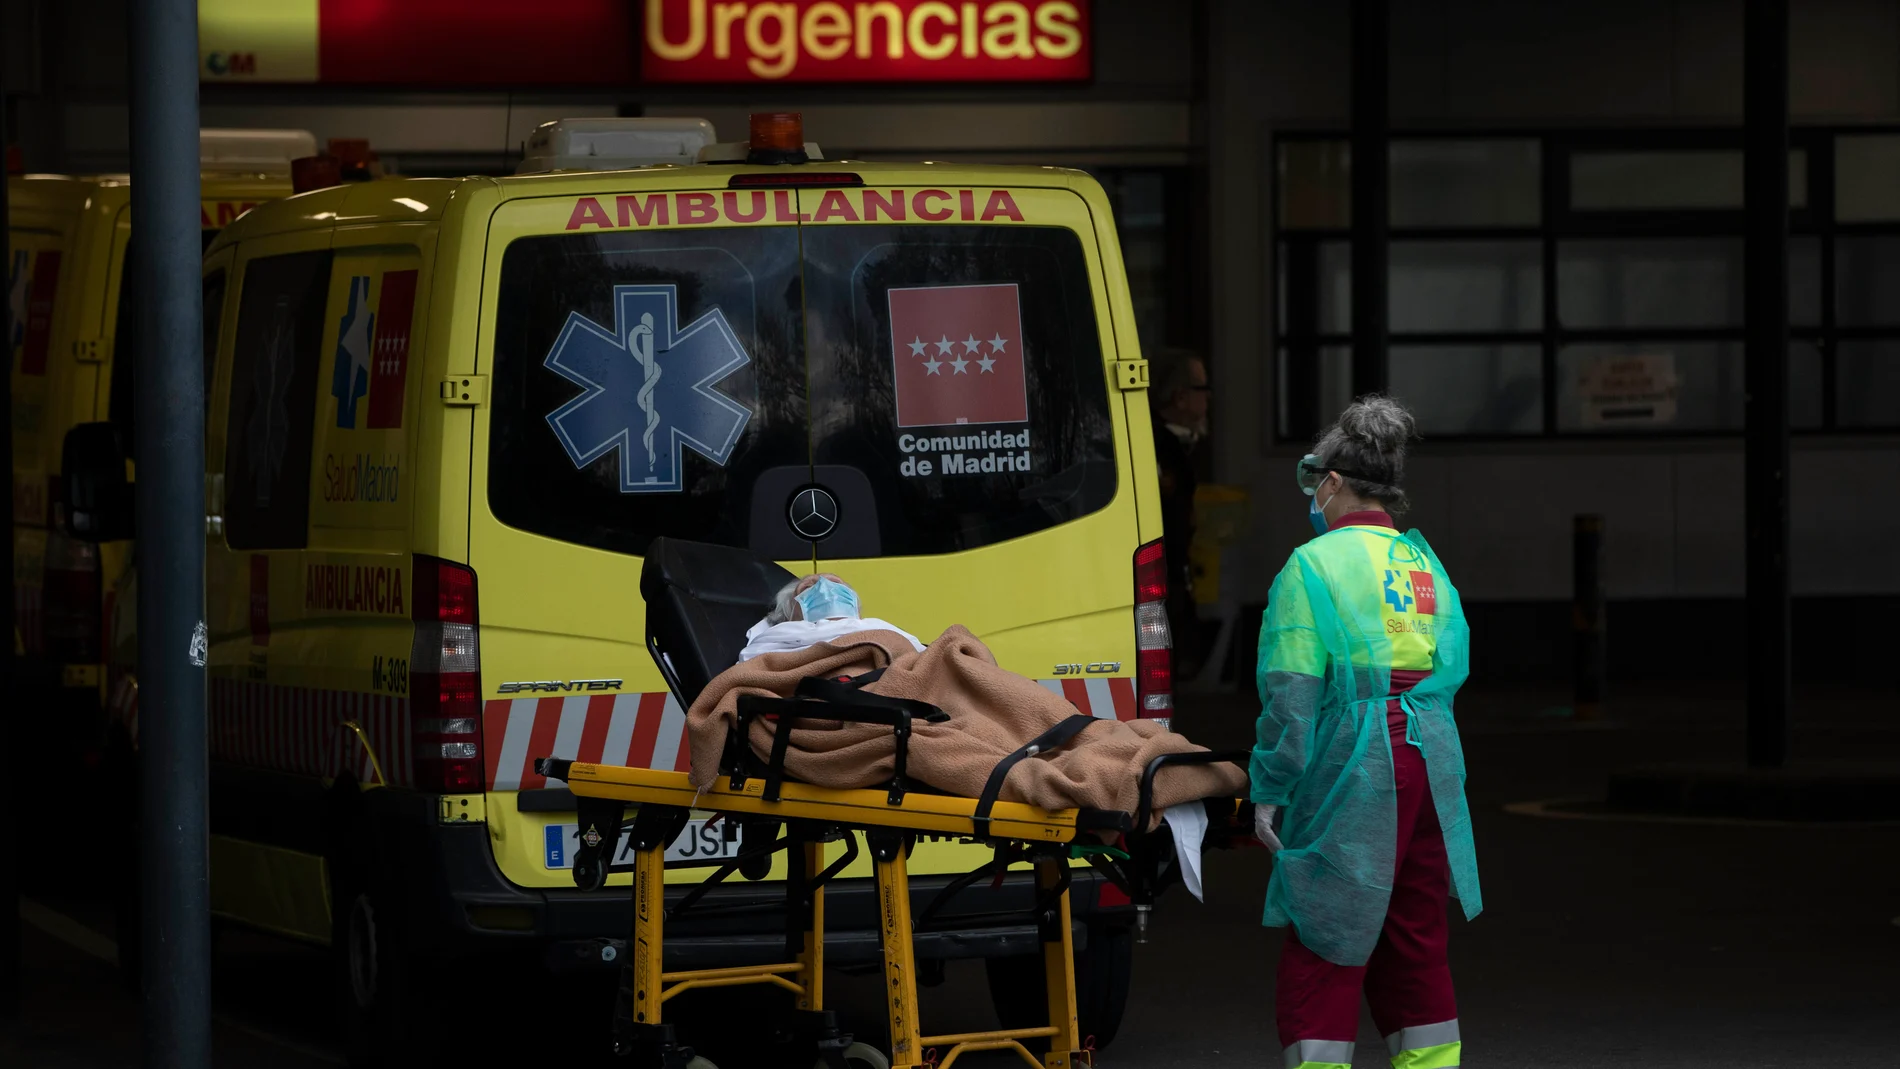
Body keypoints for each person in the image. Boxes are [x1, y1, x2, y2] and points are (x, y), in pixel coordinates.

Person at [1250, 396, 1481, 1069]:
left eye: (1311, 481)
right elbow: (1450, 663)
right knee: (1414, 937)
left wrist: (1270, 785)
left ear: (1331, 481)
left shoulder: (1311, 566)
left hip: (1356, 759)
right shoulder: (1420, 564)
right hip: (1433, 754)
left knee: (1326, 932)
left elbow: (1292, 698)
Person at [1150, 347, 1209, 674]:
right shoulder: (1157, 446)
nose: (1208, 398)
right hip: (1163, 575)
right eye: (1202, 389)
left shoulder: (1179, 445)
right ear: (1180, 396)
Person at [738, 573, 925, 661]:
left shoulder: (879, 628)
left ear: (857, 612)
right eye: (808, 588)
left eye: (836, 584)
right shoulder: (776, 638)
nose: (825, 588)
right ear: (789, 615)